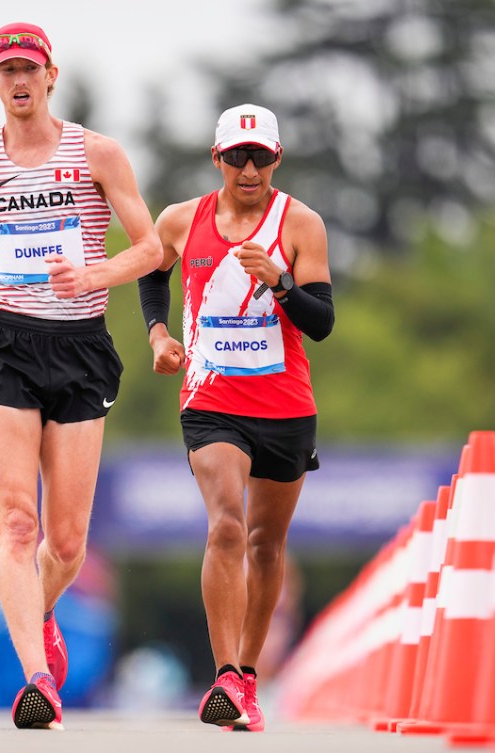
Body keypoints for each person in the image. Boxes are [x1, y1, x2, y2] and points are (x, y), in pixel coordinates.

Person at [0, 22, 162, 730]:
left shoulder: (96, 153)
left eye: (28, 68)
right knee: (15, 519)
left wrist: (94, 272)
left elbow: (153, 246)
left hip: (78, 346)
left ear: (49, 75)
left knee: (65, 542)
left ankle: (38, 618)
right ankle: (37, 675)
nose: (18, 80)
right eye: (5, 69)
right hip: (5, 342)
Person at [138, 103, 335, 731]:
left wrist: (280, 283)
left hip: (284, 407)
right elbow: (152, 274)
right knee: (226, 524)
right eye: (236, 157)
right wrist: (159, 335)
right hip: (211, 402)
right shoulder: (180, 220)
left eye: (261, 157)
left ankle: (247, 677)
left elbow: (322, 322)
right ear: (216, 158)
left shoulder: (300, 223)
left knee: (266, 544)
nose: (248, 170)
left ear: (276, 159)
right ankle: (223, 673)